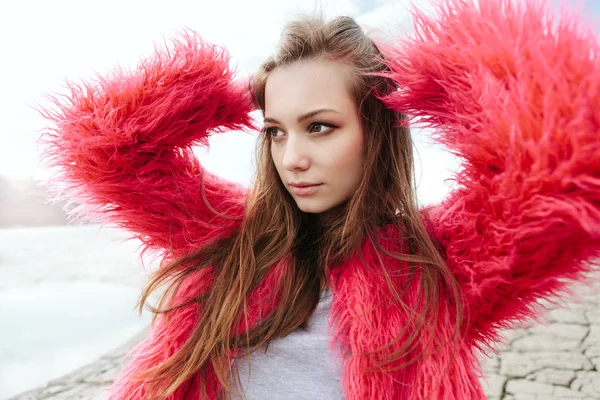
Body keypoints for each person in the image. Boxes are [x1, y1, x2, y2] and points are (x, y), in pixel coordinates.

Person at [39, 0, 600, 398]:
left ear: (377, 129)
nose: (292, 159)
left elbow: (566, 159)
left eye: (321, 126)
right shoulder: (228, 237)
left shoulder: (440, 262)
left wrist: (414, 65)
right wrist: (216, 95)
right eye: (276, 130)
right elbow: (106, 149)